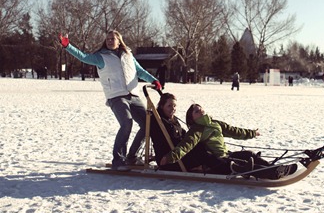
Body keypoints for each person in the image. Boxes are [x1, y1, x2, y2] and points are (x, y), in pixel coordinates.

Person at [59, 30, 162, 170]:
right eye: (108, 39)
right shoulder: (101, 57)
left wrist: (154, 80)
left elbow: (140, 71)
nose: (109, 41)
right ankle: (118, 161)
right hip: (116, 96)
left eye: (113, 38)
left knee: (148, 125)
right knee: (126, 123)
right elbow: (83, 57)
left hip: (134, 95)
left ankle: (132, 157)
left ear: (119, 41)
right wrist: (67, 45)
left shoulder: (128, 55)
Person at [160, 103, 297, 180]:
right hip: (217, 160)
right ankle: (273, 173)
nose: (200, 110)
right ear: (192, 118)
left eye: (200, 108)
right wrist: (170, 157)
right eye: (196, 111)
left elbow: (233, 131)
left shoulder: (215, 123)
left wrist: (252, 133)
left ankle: (275, 168)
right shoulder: (197, 129)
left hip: (227, 154)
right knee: (243, 164)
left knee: (248, 154)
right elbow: (186, 146)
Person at [150, 93, 253, 174]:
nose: (173, 109)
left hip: (178, 154)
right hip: (170, 160)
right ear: (162, 106)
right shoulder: (158, 121)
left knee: (202, 148)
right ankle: (230, 168)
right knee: (201, 153)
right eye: (169, 106)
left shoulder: (172, 119)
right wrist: (168, 157)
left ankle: (235, 165)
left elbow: (184, 136)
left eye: (174, 106)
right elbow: (167, 142)